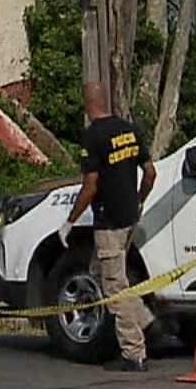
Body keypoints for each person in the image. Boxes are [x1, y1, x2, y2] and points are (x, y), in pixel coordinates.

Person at [59, 82, 159, 372]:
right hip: (129, 218)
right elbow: (150, 173)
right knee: (101, 272)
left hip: (109, 221)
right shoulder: (129, 129)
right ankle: (145, 320)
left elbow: (90, 186)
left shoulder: (93, 137)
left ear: (87, 105)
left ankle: (133, 353)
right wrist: (138, 200)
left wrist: (70, 221)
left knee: (114, 291)